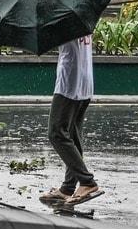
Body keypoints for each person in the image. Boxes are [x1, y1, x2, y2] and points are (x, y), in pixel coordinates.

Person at [41, 34, 102, 206]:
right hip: (84, 79)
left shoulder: (61, 16)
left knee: (56, 133)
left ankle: (87, 181)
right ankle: (68, 187)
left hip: (69, 81)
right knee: (73, 135)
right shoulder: (80, 14)